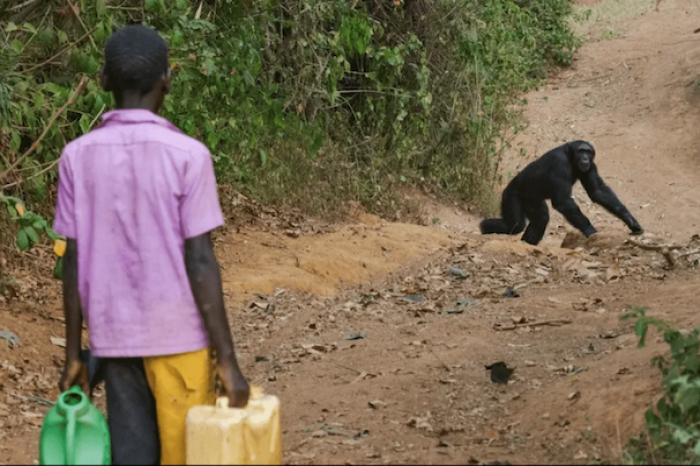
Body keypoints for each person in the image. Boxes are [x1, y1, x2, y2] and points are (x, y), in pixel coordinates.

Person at [53, 24, 250, 465]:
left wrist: (74, 355)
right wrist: (227, 361)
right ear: (167, 81)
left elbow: (73, 261)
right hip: (180, 340)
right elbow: (199, 259)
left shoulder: (77, 156)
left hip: (115, 342)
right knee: (186, 455)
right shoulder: (188, 156)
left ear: (102, 79)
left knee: (133, 456)